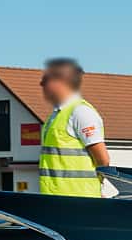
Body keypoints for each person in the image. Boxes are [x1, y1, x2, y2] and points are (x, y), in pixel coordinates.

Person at [37, 58, 111, 196]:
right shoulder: (55, 115)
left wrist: (98, 188)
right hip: (55, 198)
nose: (42, 85)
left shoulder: (81, 112)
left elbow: (103, 160)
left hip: (79, 198)